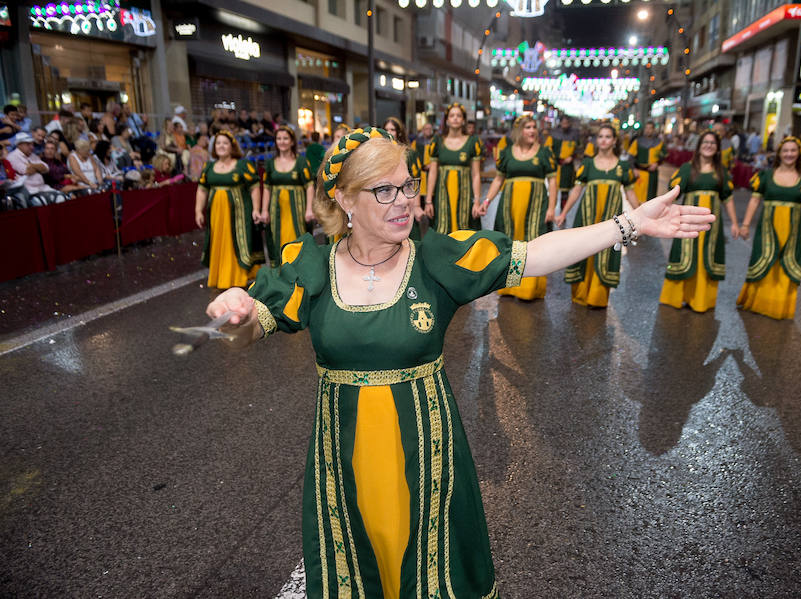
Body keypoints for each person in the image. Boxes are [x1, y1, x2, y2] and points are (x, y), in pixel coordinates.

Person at [201, 126, 714, 599]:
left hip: (427, 456)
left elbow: (535, 254)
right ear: (344, 199)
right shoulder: (310, 266)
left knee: (430, 572)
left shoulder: (435, 261)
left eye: (407, 185)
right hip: (344, 461)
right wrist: (234, 311)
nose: (404, 201)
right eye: (385, 190)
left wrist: (629, 223)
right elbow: (248, 329)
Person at [555, 122, 639, 307]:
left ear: (614, 141)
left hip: (612, 219)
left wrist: (643, 215)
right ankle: (580, 294)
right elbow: (576, 191)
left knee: (607, 251)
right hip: (587, 216)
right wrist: (563, 213)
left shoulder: (623, 166)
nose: (603, 140)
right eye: (600, 136)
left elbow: (631, 193)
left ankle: (597, 297)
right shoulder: (587, 164)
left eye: (608, 137)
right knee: (584, 249)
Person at [737, 136, 801, 320]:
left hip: (791, 234)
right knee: (763, 261)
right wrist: (745, 225)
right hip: (767, 231)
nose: (789, 154)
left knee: (786, 265)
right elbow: (754, 201)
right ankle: (757, 303)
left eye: (793, 150)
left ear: (799, 153)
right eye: (785, 150)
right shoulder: (765, 176)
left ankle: (780, 307)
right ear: (779, 153)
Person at [659, 131, 739, 313]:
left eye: (712, 143)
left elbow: (728, 198)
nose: (709, 145)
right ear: (699, 145)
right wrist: (663, 212)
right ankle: (676, 297)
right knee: (684, 254)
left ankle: (701, 301)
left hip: (712, 224)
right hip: (688, 219)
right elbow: (673, 192)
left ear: (717, 148)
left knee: (706, 256)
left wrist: (735, 223)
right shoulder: (687, 168)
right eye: (705, 142)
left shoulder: (721, 171)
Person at [481, 114, 557, 300]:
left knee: (533, 242)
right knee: (511, 243)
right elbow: (498, 179)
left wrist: (551, 208)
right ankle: (509, 286)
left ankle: (529, 288)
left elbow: (553, 182)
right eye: (527, 127)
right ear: (518, 131)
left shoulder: (544, 153)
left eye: (534, 127)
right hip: (510, 206)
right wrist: (487, 201)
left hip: (536, 205)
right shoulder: (507, 153)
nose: (532, 131)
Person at [194, 131, 264, 289]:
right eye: (218, 143)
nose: (221, 146)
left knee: (236, 242)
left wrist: (256, 209)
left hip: (239, 214)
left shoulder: (243, 165)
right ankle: (222, 276)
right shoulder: (209, 167)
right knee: (219, 242)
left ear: (232, 146)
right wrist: (198, 211)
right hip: (216, 215)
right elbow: (202, 190)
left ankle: (238, 276)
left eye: (225, 143)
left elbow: (254, 187)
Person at [424, 103, 484, 234]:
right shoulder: (437, 141)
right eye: (452, 115)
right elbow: (433, 172)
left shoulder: (473, 142)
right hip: (442, 195)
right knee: (442, 230)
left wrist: (477, 201)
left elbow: (476, 175)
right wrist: (428, 201)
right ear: (447, 120)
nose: (455, 118)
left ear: (463, 120)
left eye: (459, 115)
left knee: (465, 231)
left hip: (465, 195)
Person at [262, 126, 315, 256]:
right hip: (276, 210)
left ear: (292, 141)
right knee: (277, 238)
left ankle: (298, 267)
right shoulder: (270, 163)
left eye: (285, 138)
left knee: (298, 237)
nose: (282, 141)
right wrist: (264, 210)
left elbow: (309, 186)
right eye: (279, 138)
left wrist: (309, 209)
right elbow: (267, 188)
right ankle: (280, 267)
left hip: (297, 209)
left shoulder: (301, 162)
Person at [383, 116, 426, 239]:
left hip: (405, 200)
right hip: (386, 201)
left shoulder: (409, 154)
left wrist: (417, 207)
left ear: (399, 132)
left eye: (392, 130)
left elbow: (415, 182)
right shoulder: (380, 155)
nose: (389, 133)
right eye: (386, 130)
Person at [7, 132, 67, 205]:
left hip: (43, 188)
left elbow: (46, 168)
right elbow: (27, 170)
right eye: (28, 144)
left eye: (32, 144)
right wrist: (38, 168)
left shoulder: (32, 155)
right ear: (19, 145)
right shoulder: (12, 157)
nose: (32, 147)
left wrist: (32, 165)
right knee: (42, 202)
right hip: (30, 191)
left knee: (62, 198)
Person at [543, 115, 579, 213]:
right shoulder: (554, 134)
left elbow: (578, 149)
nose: (565, 125)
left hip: (567, 168)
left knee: (565, 192)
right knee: (552, 190)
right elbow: (547, 149)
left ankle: (563, 213)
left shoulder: (574, 134)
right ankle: (550, 212)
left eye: (567, 123)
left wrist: (572, 157)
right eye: (563, 122)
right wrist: (552, 160)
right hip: (555, 166)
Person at [628, 121, 667, 204]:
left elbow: (664, 155)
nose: (648, 130)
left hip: (653, 174)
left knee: (650, 199)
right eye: (646, 128)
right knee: (637, 198)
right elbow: (630, 157)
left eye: (650, 128)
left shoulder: (659, 142)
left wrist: (657, 163)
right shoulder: (637, 141)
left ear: (654, 130)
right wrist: (634, 169)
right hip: (640, 173)